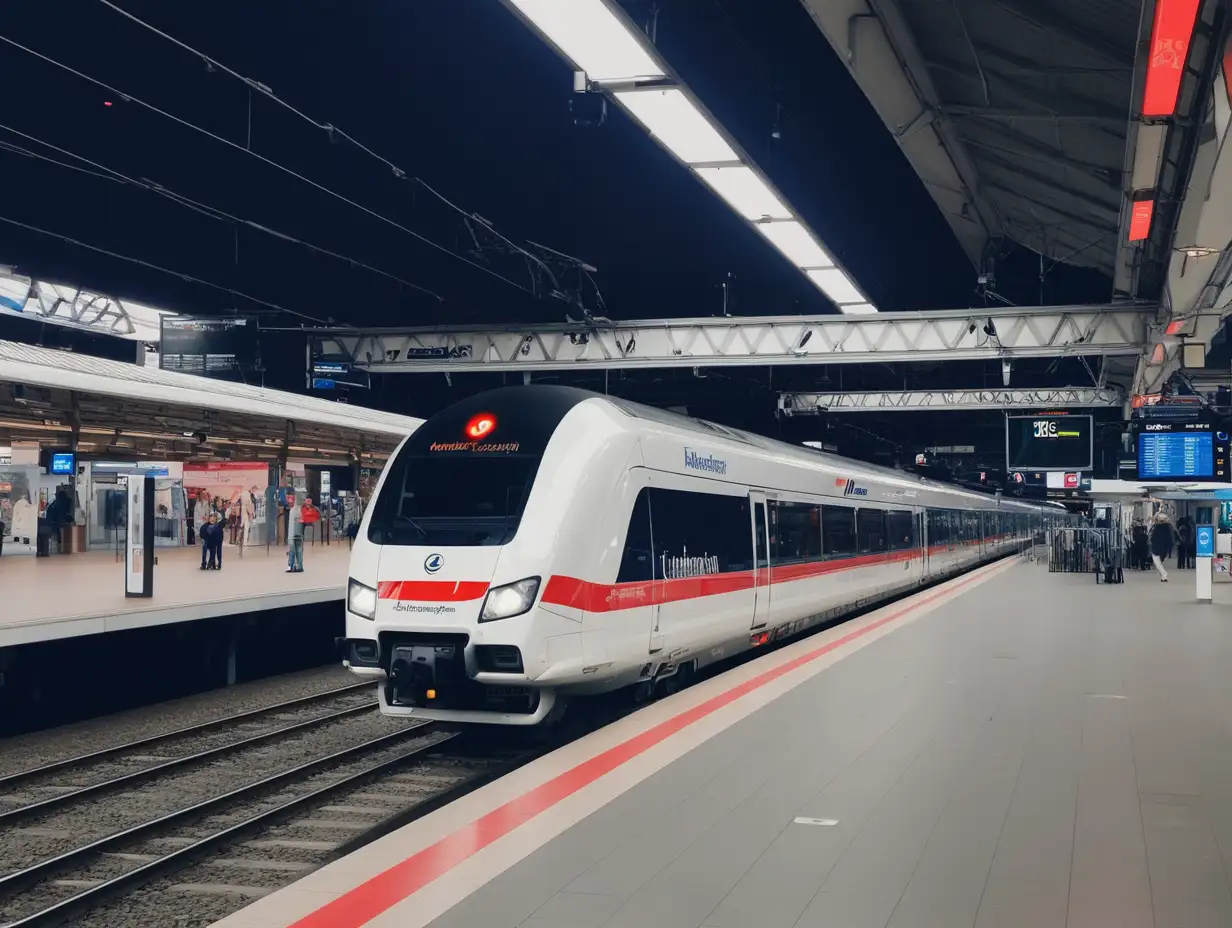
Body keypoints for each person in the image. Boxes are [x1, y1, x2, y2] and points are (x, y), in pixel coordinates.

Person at [1149, 512, 1173, 582]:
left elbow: (1153, 537)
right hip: (1165, 548)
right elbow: (1171, 537)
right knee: (1160, 562)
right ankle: (1163, 576)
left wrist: (1152, 542)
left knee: (1157, 561)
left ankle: (1164, 574)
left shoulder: (1157, 527)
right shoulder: (1168, 527)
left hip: (1156, 547)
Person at [287, 496, 304, 573]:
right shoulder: (301, 510)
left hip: (293, 533)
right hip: (298, 533)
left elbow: (293, 524)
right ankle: (299, 566)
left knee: (292, 550)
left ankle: (291, 566)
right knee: (298, 550)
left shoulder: (294, 510)